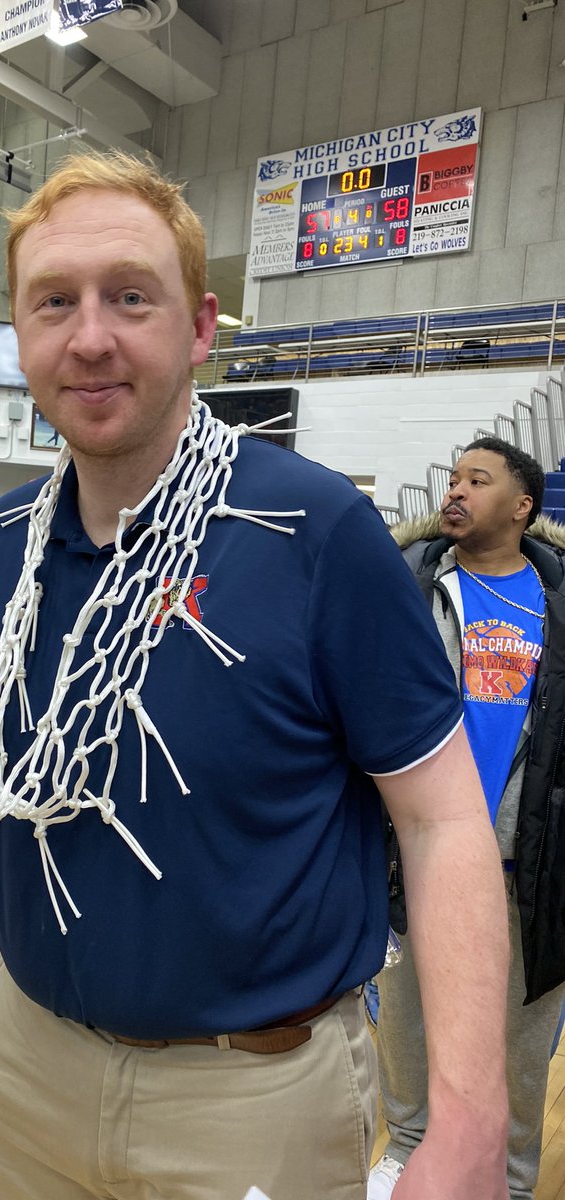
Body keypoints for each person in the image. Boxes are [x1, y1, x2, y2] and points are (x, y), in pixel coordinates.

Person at [0, 151, 510, 1200]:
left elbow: (442, 822)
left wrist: (474, 1123)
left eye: (130, 296)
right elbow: (4, 783)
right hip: (24, 1070)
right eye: (53, 302)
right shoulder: (6, 539)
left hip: (249, 1105)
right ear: (20, 336)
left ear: (202, 327)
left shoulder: (316, 530)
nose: (90, 336)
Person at [370, 437, 565, 1200]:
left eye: (476, 481)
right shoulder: (408, 585)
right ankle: (407, 1146)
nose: (455, 491)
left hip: (533, 865)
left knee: (520, 1045)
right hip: (415, 860)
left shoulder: (559, 604)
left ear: (523, 506)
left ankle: (513, 1179)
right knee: (407, 1025)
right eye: (452, 478)